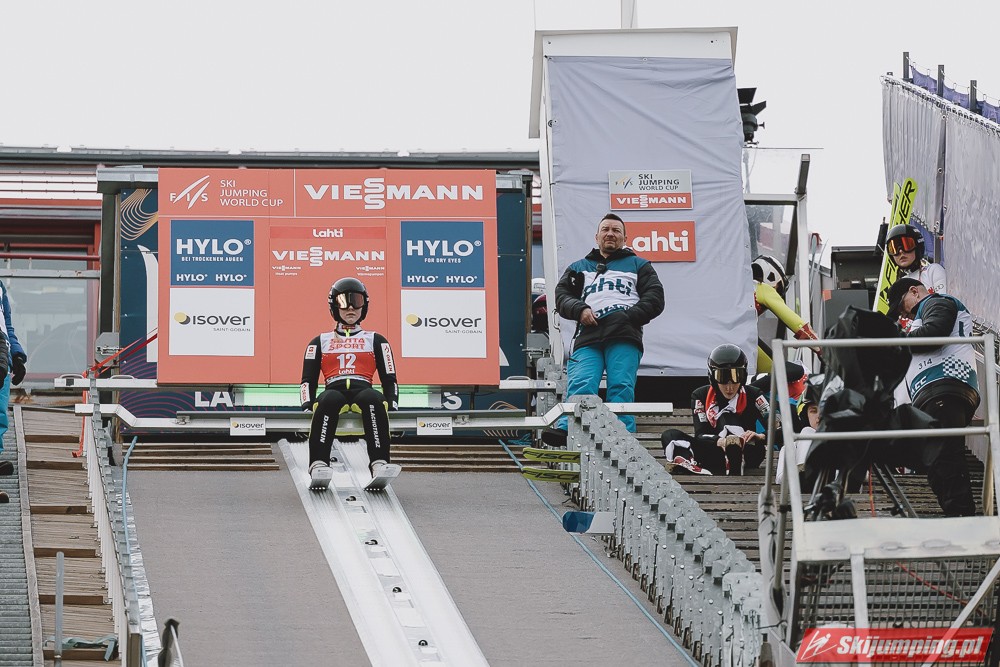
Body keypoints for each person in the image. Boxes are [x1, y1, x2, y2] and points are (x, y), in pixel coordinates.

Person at [546, 213, 664, 443]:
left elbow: (655, 298)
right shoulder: (579, 267)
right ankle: (568, 430)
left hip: (624, 335)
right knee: (581, 382)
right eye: (606, 229)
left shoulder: (640, 265)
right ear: (597, 236)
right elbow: (562, 296)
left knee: (621, 386)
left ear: (625, 238)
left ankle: (623, 437)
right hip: (588, 335)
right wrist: (580, 310)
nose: (610, 234)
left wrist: (627, 317)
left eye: (616, 230)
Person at [886, 277, 978, 516]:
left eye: (902, 306)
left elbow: (935, 332)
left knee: (945, 457)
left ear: (914, 291)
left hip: (945, 382)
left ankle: (962, 517)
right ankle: (958, 515)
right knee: (937, 460)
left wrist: (895, 343)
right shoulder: (924, 313)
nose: (904, 314)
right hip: (936, 389)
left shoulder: (936, 302)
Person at [300, 277, 398, 489]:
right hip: (333, 388)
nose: (351, 307)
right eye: (344, 302)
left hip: (363, 388)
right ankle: (318, 463)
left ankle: (379, 462)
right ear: (334, 306)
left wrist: (393, 403)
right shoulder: (319, 341)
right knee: (327, 400)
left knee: (373, 399)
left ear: (365, 305)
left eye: (357, 301)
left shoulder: (376, 340)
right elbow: (307, 380)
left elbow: (389, 378)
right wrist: (306, 405)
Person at [661, 344, 773, 476]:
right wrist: (721, 441)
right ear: (713, 377)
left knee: (727, 416)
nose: (729, 387)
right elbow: (700, 434)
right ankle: (685, 462)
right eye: (723, 378)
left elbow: (779, 427)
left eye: (736, 376)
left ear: (743, 376)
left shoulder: (755, 395)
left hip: (749, 451)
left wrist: (760, 436)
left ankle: (735, 458)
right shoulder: (700, 395)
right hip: (713, 451)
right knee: (670, 435)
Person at [752, 254, 820, 373]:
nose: (776, 293)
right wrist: (821, 350)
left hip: (719, 339)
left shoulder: (737, 287)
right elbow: (797, 324)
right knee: (780, 373)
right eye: (778, 288)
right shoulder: (762, 288)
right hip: (741, 339)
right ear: (771, 277)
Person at [776, 373, 824, 484]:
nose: (819, 416)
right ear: (805, 416)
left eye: (825, 409)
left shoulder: (843, 444)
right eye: (813, 411)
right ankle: (804, 471)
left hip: (831, 487)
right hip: (799, 488)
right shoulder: (790, 447)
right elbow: (780, 479)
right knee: (807, 431)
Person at [0, 279, 25, 480]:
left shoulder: (0, 288)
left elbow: (7, 326)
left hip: (2, 357)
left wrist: (16, 356)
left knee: (0, 413)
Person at [885, 224, 946, 294]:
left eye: (907, 245)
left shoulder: (932, 271)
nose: (901, 251)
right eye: (894, 249)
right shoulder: (897, 288)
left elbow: (944, 298)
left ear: (918, 248)